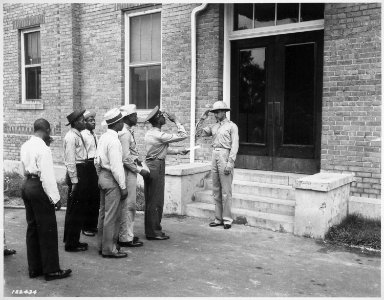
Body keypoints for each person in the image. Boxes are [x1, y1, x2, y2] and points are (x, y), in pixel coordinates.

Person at [20, 118, 71, 281]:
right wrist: (55, 198)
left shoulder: (25, 145)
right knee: (48, 228)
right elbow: (47, 177)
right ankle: (51, 270)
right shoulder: (43, 148)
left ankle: (34, 268)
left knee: (33, 227)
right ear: (47, 130)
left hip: (27, 185)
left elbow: (23, 168)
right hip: (38, 187)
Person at [143, 106, 188, 240]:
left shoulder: (152, 133)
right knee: (155, 200)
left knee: (152, 199)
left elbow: (160, 149)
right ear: (157, 120)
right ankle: (154, 232)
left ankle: (152, 230)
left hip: (154, 163)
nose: (165, 117)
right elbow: (183, 135)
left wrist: (178, 151)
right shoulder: (158, 134)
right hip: (156, 166)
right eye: (162, 116)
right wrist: (176, 120)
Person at [196, 101, 239, 229]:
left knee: (226, 191)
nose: (216, 114)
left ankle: (227, 220)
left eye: (218, 111)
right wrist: (202, 118)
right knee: (216, 190)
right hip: (214, 155)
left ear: (225, 112)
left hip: (225, 155)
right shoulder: (213, 127)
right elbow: (197, 133)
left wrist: (230, 163)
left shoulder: (232, 126)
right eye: (215, 112)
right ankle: (218, 218)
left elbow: (235, 145)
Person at [95, 108, 128, 258]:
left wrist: (100, 175)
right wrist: (122, 186)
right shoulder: (114, 141)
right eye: (122, 120)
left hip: (102, 176)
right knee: (112, 215)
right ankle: (109, 249)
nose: (123, 123)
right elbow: (116, 167)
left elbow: (97, 160)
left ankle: (102, 245)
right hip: (111, 178)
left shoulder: (103, 137)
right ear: (118, 123)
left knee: (103, 213)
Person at [117, 105, 149, 248]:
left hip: (130, 170)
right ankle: (124, 237)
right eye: (134, 115)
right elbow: (125, 158)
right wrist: (139, 170)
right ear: (127, 117)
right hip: (127, 172)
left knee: (130, 205)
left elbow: (132, 153)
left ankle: (127, 233)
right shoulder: (124, 133)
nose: (136, 118)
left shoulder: (128, 131)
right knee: (128, 205)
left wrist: (138, 162)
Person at [63, 109, 89, 252]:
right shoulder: (71, 137)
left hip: (81, 171)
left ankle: (71, 239)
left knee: (76, 208)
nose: (84, 122)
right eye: (82, 120)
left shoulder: (77, 135)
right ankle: (72, 244)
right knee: (76, 210)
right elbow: (70, 161)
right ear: (75, 122)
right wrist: (74, 181)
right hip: (77, 173)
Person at [81, 110, 100, 237]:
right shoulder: (82, 135)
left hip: (95, 165)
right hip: (87, 165)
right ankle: (85, 226)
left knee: (95, 197)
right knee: (87, 197)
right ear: (84, 122)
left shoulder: (95, 135)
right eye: (90, 120)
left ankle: (93, 225)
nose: (93, 122)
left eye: (94, 120)